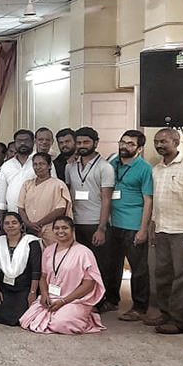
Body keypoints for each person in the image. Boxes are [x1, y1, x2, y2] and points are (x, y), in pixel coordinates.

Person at [147, 128, 183, 334]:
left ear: (176, 141)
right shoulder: (156, 169)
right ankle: (166, 315)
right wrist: (152, 227)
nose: (159, 145)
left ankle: (180, 322)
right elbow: (156, 203)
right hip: (162, 231)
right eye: (156, 142)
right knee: (162, 275)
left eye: (163, 141)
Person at [19, 215, 106, 334]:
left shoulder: (84, 252)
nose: (60, 231)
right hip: (51, 297)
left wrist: (64, 301)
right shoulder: (49, 250)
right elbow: (43, 277)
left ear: (72, 230)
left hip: (75, 300)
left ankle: (86, 317)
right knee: (27, 320)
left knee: (62, 324)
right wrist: (44, 294)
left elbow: (89, 285)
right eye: (57, 228)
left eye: (64, 228)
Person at [103, 130, 153, 322]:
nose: (124, 146)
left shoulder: (145, 168)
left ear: (139, 148)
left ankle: (140, 307)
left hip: (133, 225)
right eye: (122, 142)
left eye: (130, 144)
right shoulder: (112, 162)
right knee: (111, 265)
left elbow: (148, 200)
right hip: (112, 223)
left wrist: (143, 229)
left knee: (138, 269)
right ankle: (112, 300)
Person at [64, 127, 114, 308]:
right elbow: (68, 193)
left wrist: (102, 228)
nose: (82, 146)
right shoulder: (71, 166)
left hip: (95, 223)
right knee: (78, 265)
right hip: (76, 222)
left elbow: (107, 199)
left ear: (95, 143)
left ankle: (99, 302)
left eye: (86, 142)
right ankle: (80, 300)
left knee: (98, 265)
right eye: (79, 143)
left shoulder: (105, 167)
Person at [0, 212, 42, 326]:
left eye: (14, 223)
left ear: (21, 225)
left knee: (17, 318)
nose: (10, 226)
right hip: (4, 287)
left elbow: (36, 271)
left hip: (24, 287)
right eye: (7, 223)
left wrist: (32, 293)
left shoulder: (31, 242)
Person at [18, 152, 73, 246]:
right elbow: (20, 207)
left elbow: (60, 209)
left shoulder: (58, 185)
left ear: (49, 165)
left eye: (42, 164)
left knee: (52, 256)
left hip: (50, 230)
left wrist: (39, 224)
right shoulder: (27, 184)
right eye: (35, 164)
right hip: (30, 230)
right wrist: (28, 224)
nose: (38, 167)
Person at [0, 129, 37, 216]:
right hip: (13, 215)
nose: (22, 143)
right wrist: (1, 219)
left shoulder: (42, 161)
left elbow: (52, 187)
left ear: (33, 142)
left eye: (26, 140)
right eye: (19, 141)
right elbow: (1, 195)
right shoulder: (7, 165)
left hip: (36, 214)